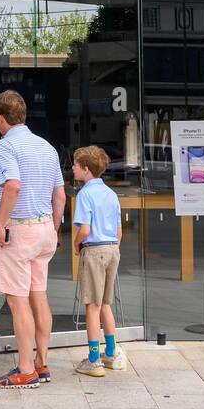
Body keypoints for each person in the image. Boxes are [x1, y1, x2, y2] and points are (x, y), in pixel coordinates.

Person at [0, 89, 65, 390]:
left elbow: (12, 186)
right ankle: (42, 363)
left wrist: (0, 223)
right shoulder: (46, 147)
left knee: (18, 303)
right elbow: (59, 194)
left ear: (0, 118)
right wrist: (55, 229)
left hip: (19, 229)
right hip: (45, 227)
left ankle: (25, 369)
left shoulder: (5, 146)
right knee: (39, 296)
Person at [70, 145, 127, 377]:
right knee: (105, 304)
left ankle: (94, 359)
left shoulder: (85, 194)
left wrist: (76, 244)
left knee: (91, 307)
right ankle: (111, 353)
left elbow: (85, 230)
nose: (72, 168)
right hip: (113, 249)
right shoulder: (111, 194)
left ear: (85, 169)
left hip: (93, 251)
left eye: (75, 165)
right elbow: (119, 231)